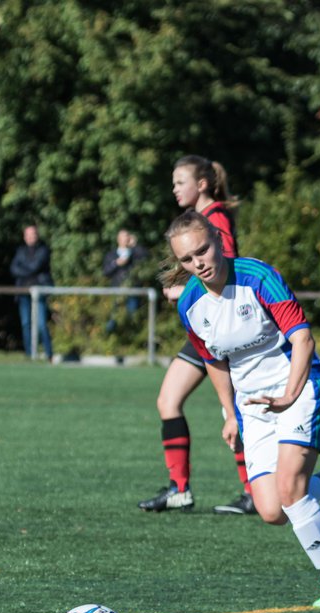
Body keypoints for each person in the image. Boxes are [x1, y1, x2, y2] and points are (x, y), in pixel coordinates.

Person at [164, 209, 320, 607]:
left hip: (299, 385)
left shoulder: (258, 278)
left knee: (290, 491)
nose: (198, 263)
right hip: (252, 404)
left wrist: (290, 395)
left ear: (219, 242)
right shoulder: (190, 302)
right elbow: (214, 361)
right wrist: (228, 412)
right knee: (272, 510)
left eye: (202, 250)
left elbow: (303, 339)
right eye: (187, 259)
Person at [139, 155, 254, 515]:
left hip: (226, 325)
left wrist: (182, 290)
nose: (174, 189)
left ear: (201, 184)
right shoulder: (199, 219)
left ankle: (254, 490)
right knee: (168, 400)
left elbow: (223, 270)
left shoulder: (215, 217)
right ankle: (180, 489)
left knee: (231, 408)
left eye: (179, 182)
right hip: (204, 331)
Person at [10, 224, 54, 361]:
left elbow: (35, 267)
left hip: (39, 291)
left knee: (41, 323)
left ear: (37, 235)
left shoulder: (43, 250)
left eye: (33, 234)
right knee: (26, 323)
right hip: (23, 291)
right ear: (24, 237)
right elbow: (13, 269)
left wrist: (23, 269)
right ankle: (30, 354)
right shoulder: (20, 250)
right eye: (28, 235)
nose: (30, 237)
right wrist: (27, 270)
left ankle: (49, 354)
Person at [102, 229, 150, 332]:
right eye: (124, 237)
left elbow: (146, 256)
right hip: (117, 290)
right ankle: (110, 337)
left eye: (128, 236)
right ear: (118, 239)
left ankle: (130, 340)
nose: (126, 239)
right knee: (113, 318)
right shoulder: (112, 255)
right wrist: (116, 264)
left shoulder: (135, 252)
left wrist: (135, 245)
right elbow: (105, 272)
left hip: (133, 290)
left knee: (132, 317)